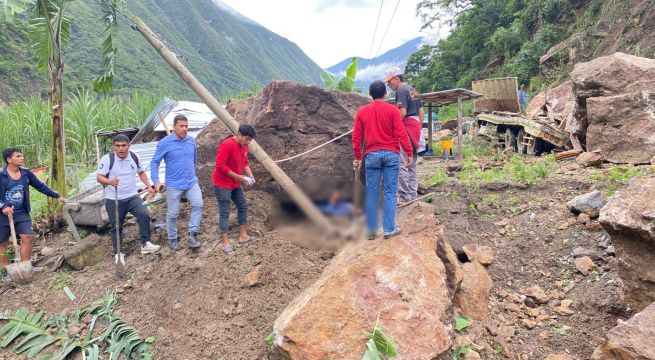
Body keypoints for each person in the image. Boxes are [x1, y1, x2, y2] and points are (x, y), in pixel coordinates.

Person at [352, 80, 413, 240]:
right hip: (392, 155)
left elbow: (356, 137)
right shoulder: (392, 110)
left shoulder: (362, 112)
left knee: (371, 193)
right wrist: (409, 152)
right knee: (390, 193)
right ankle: (389, 228)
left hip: (372, 156)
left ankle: (371, 230)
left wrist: (358, 157)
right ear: (385, 94)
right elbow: (401, 132)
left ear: (370, 94)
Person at [0, 148, 65, 282]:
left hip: (21, 212)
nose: (22, 158)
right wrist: (3, 206)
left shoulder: (26, 173)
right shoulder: (1, 175)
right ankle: (5, 271)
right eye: (18, 156)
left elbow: (40, 186)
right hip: (3, 214)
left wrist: (56, 195)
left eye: (22, 155)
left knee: (28, 236)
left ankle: (26, 266)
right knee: (2, 243)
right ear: (9, 159)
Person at [96, 135, 160, 265]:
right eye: (118, 146)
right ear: (114, 147)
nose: (121, 149)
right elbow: (99, 177)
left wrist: (148, 186)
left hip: (132, 196)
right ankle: (118, 253)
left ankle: (145, 243)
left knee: (143, 215)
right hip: (114, 199)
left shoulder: (134, 157)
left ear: (128, 146)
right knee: (116, 226)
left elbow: (141, 172)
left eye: (124, 145)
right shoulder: (108, 159)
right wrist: (109, 181)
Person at [151, 114, 203, 251]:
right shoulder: (165, 143)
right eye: (181, 126)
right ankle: (172, 240)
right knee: (173, 213)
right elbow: (154, 162)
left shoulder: (191, 141)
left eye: (186, 126)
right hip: (174, 184)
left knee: (198, 204)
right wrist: (156, 181)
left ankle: (192, 235)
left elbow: (194, 160)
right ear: (174, 127)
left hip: (191, 182)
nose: (184, 129)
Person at [211, 124, 257, 254]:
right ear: (239, 135)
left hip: (235, 183)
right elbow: (220, 166)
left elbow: (245, 162)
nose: (248, 142)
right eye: (246, 139)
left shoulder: (244, 145)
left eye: (250, 140)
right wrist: (240, 177)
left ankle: (243, 236)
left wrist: (250, 175)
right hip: (222, 183)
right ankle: (225, 243)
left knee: (243, 205)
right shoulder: (227, 144)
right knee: (225, 211)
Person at [384, 66, 424, 204]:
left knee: (401, 162)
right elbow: (421, 111)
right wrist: (418, 128)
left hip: (406, 127)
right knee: (411, 162)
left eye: (390, 81)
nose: (389, 85)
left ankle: (403, 195)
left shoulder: (401, 91)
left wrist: (393, 127)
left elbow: (402, 112)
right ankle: (412, 194)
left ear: (396, 78)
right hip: (415, 127)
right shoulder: (413, 90)